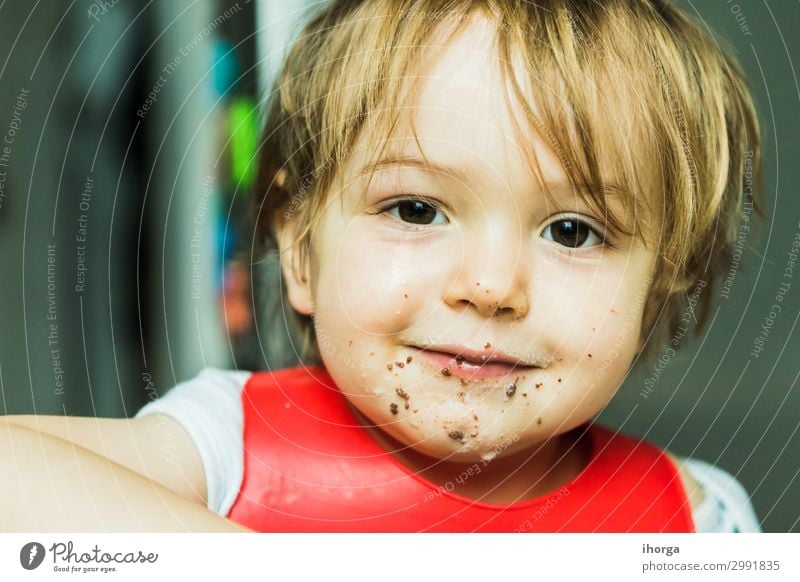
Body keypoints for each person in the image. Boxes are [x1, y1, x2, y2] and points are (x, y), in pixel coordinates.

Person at [1, 0, 763, 532]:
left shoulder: (699, 519)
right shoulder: (226, 447)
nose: (491, 287)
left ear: (662, 284)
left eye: (572, 230)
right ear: (300, 252)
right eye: (415, 210)